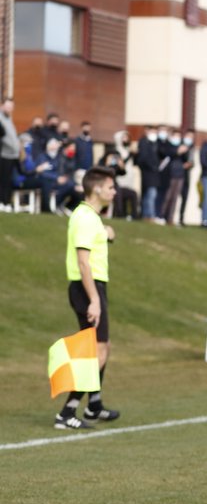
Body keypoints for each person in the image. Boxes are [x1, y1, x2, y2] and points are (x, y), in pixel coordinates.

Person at [58, 166, 120, 429]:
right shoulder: (84, 218)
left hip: (94, 287)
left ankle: (94, 405)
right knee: (95, 351)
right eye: (110, 186)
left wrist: (106, 233)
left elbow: (94, 239)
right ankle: (67, 412)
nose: (114, 191)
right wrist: (93, 299)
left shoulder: (91, 217)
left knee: (101, 348)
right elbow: (84, 263)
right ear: (96, 189)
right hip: (87, 288)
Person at [0, 98, 20, 210]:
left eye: (11, 107)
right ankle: (1, 202)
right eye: (7, 106)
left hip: (12, 155)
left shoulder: (9, 119)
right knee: (2, 180)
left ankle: (6, 202)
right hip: (4, 154)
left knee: (8, 180)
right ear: (2, 106)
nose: (9, 109)